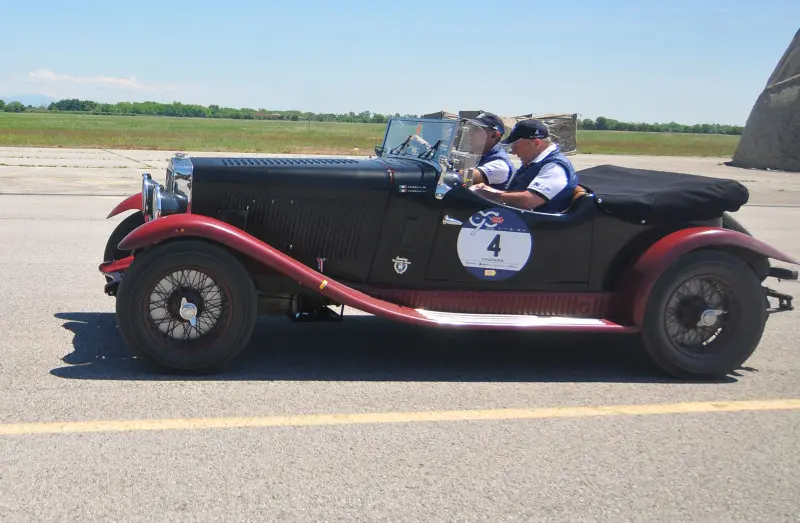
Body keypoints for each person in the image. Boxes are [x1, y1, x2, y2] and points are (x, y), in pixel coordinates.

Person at [470, 119, 578, 213]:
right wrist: (490, 190)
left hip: (541, 229)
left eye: (515, 145)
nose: (513, 152)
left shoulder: (555, 167)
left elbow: (528, 201)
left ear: (536, 143)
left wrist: (490, 195)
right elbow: (519, 195)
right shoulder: (533, 163)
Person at [459, 112, 515, 189]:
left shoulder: (499, 164)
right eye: (471, 128)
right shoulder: (477, 155)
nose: (470, 133)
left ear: (494, 135)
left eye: (477, 129)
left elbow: (464, 178)